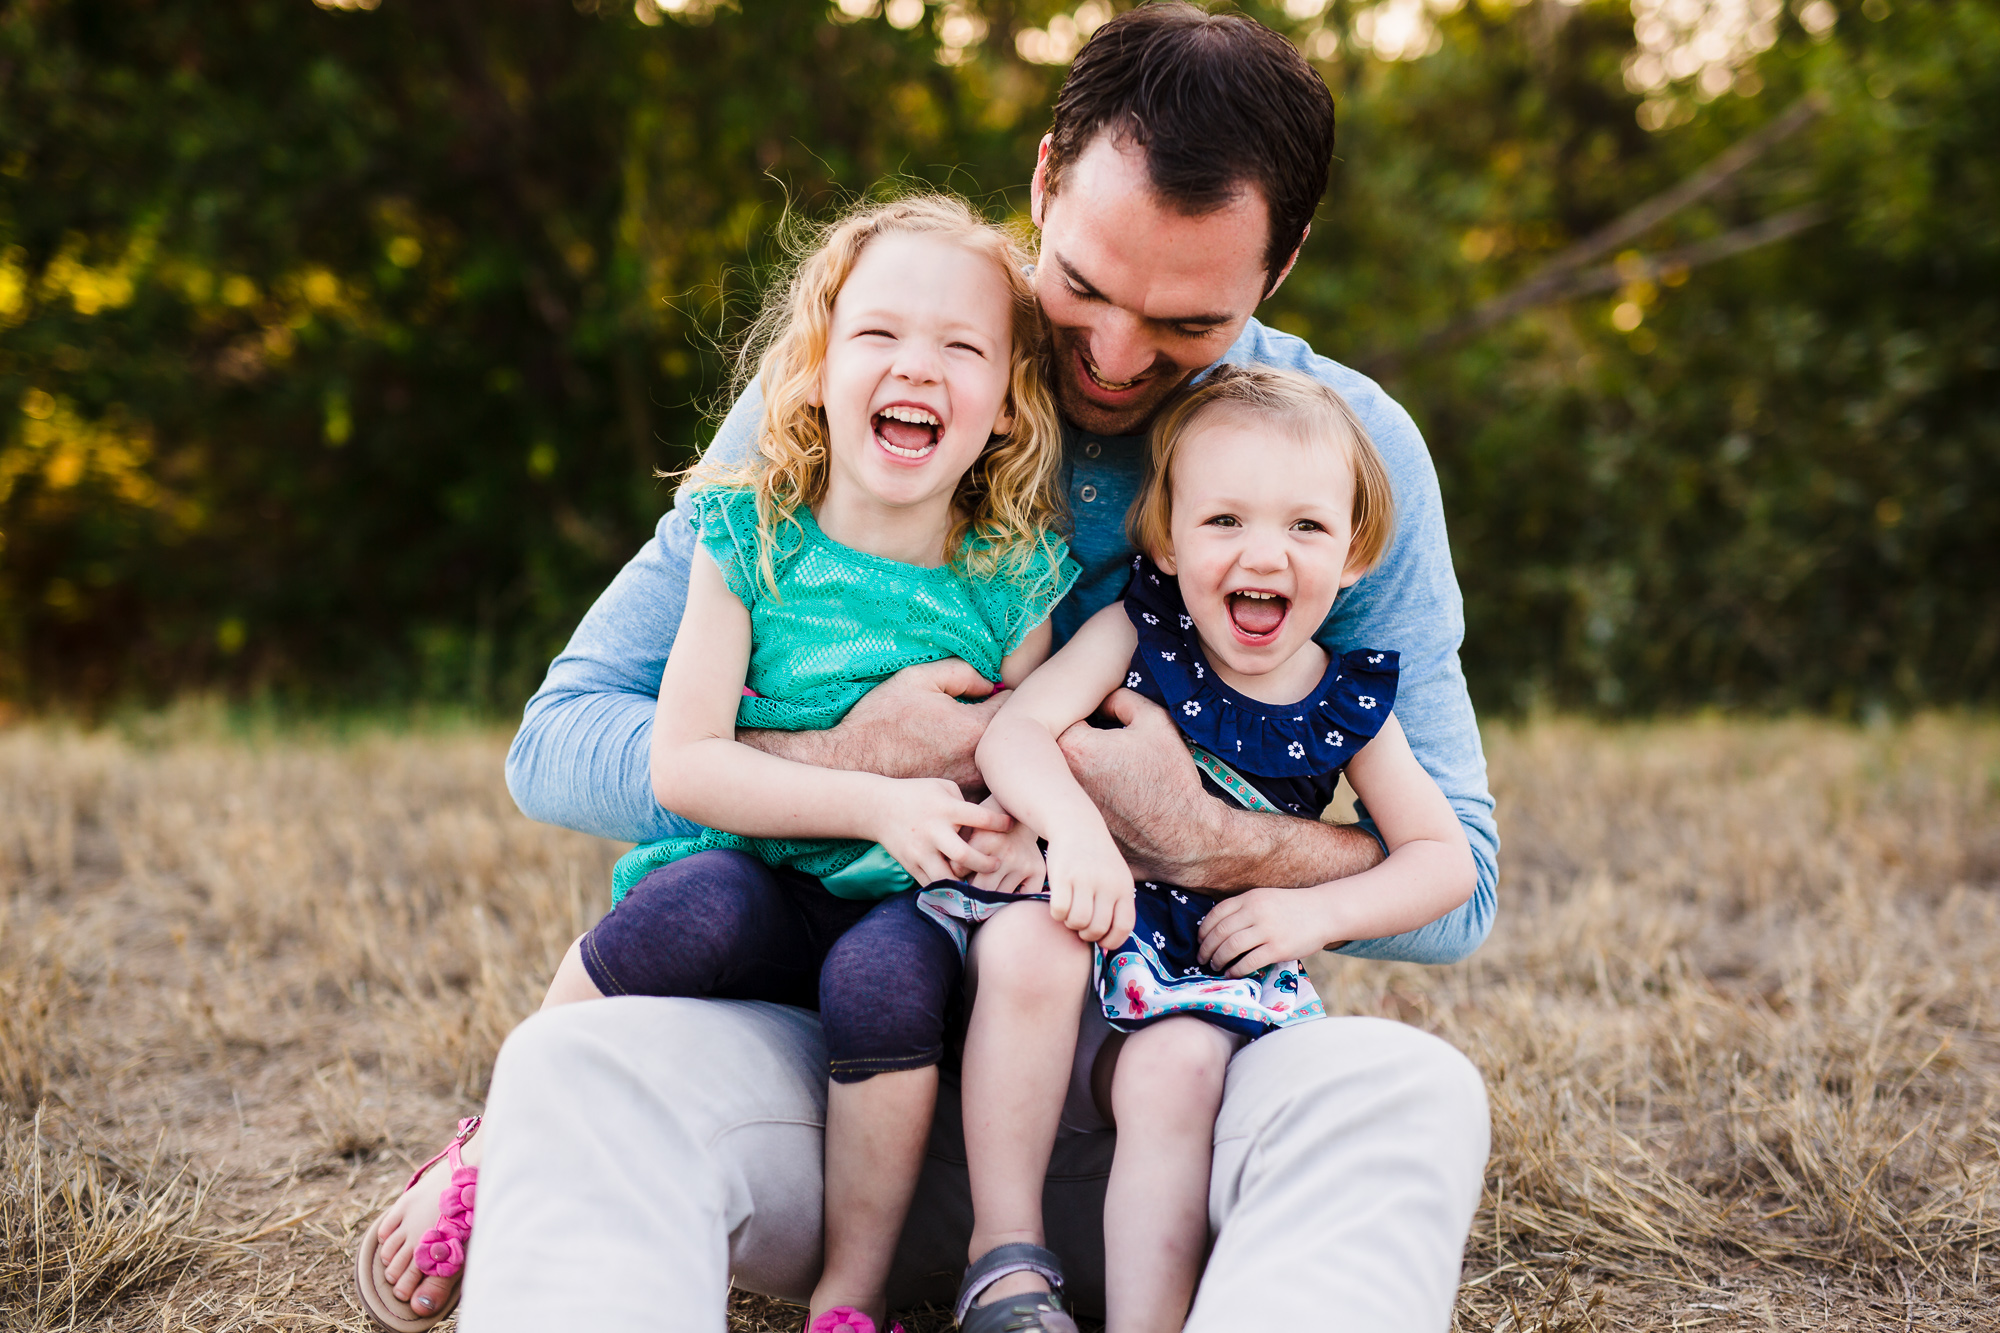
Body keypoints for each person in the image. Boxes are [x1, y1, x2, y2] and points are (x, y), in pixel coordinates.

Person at [467, 5, 1495, 1331]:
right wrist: (861, 760)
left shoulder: (1334, 459)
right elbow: (556, 744)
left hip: (1153, 1104)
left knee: (1414, 1095)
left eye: (1185, 319)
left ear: (1279, 265)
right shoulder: (883, 366)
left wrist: (1198, 837)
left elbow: (1458, 881)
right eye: (1081, 287)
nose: (1115, 358)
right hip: (834, 1086)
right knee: (573, 1073)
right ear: (1043, 180)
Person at [355, 194, 1075, 1333]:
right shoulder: (747, 539)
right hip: (749, 866)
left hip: (909, 902)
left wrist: (1013, 833)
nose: (917, 368)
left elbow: (1016, 755)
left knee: (883, 985)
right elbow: (685, 766)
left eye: (962, 348)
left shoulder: (1013, 577)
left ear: (1005, 404)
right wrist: (874, 798)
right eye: (880, 334)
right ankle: (503, 1134)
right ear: (818, 365)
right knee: (689, 905)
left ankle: (847, 1297)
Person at [925, 365, 1477, 1333]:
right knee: (1022, 947)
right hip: (1076, 911)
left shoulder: (1346, 699)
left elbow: (1442, 859)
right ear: (1167, 542)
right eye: (1223, 521)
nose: (1262, 554)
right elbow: (1013, 733)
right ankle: (1006, 1267)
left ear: (1354, 553)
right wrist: (1077, 833)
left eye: (1304, 526)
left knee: (1174, 1072)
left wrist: (1315, 912)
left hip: (1197, 969)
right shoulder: (1133, 632)